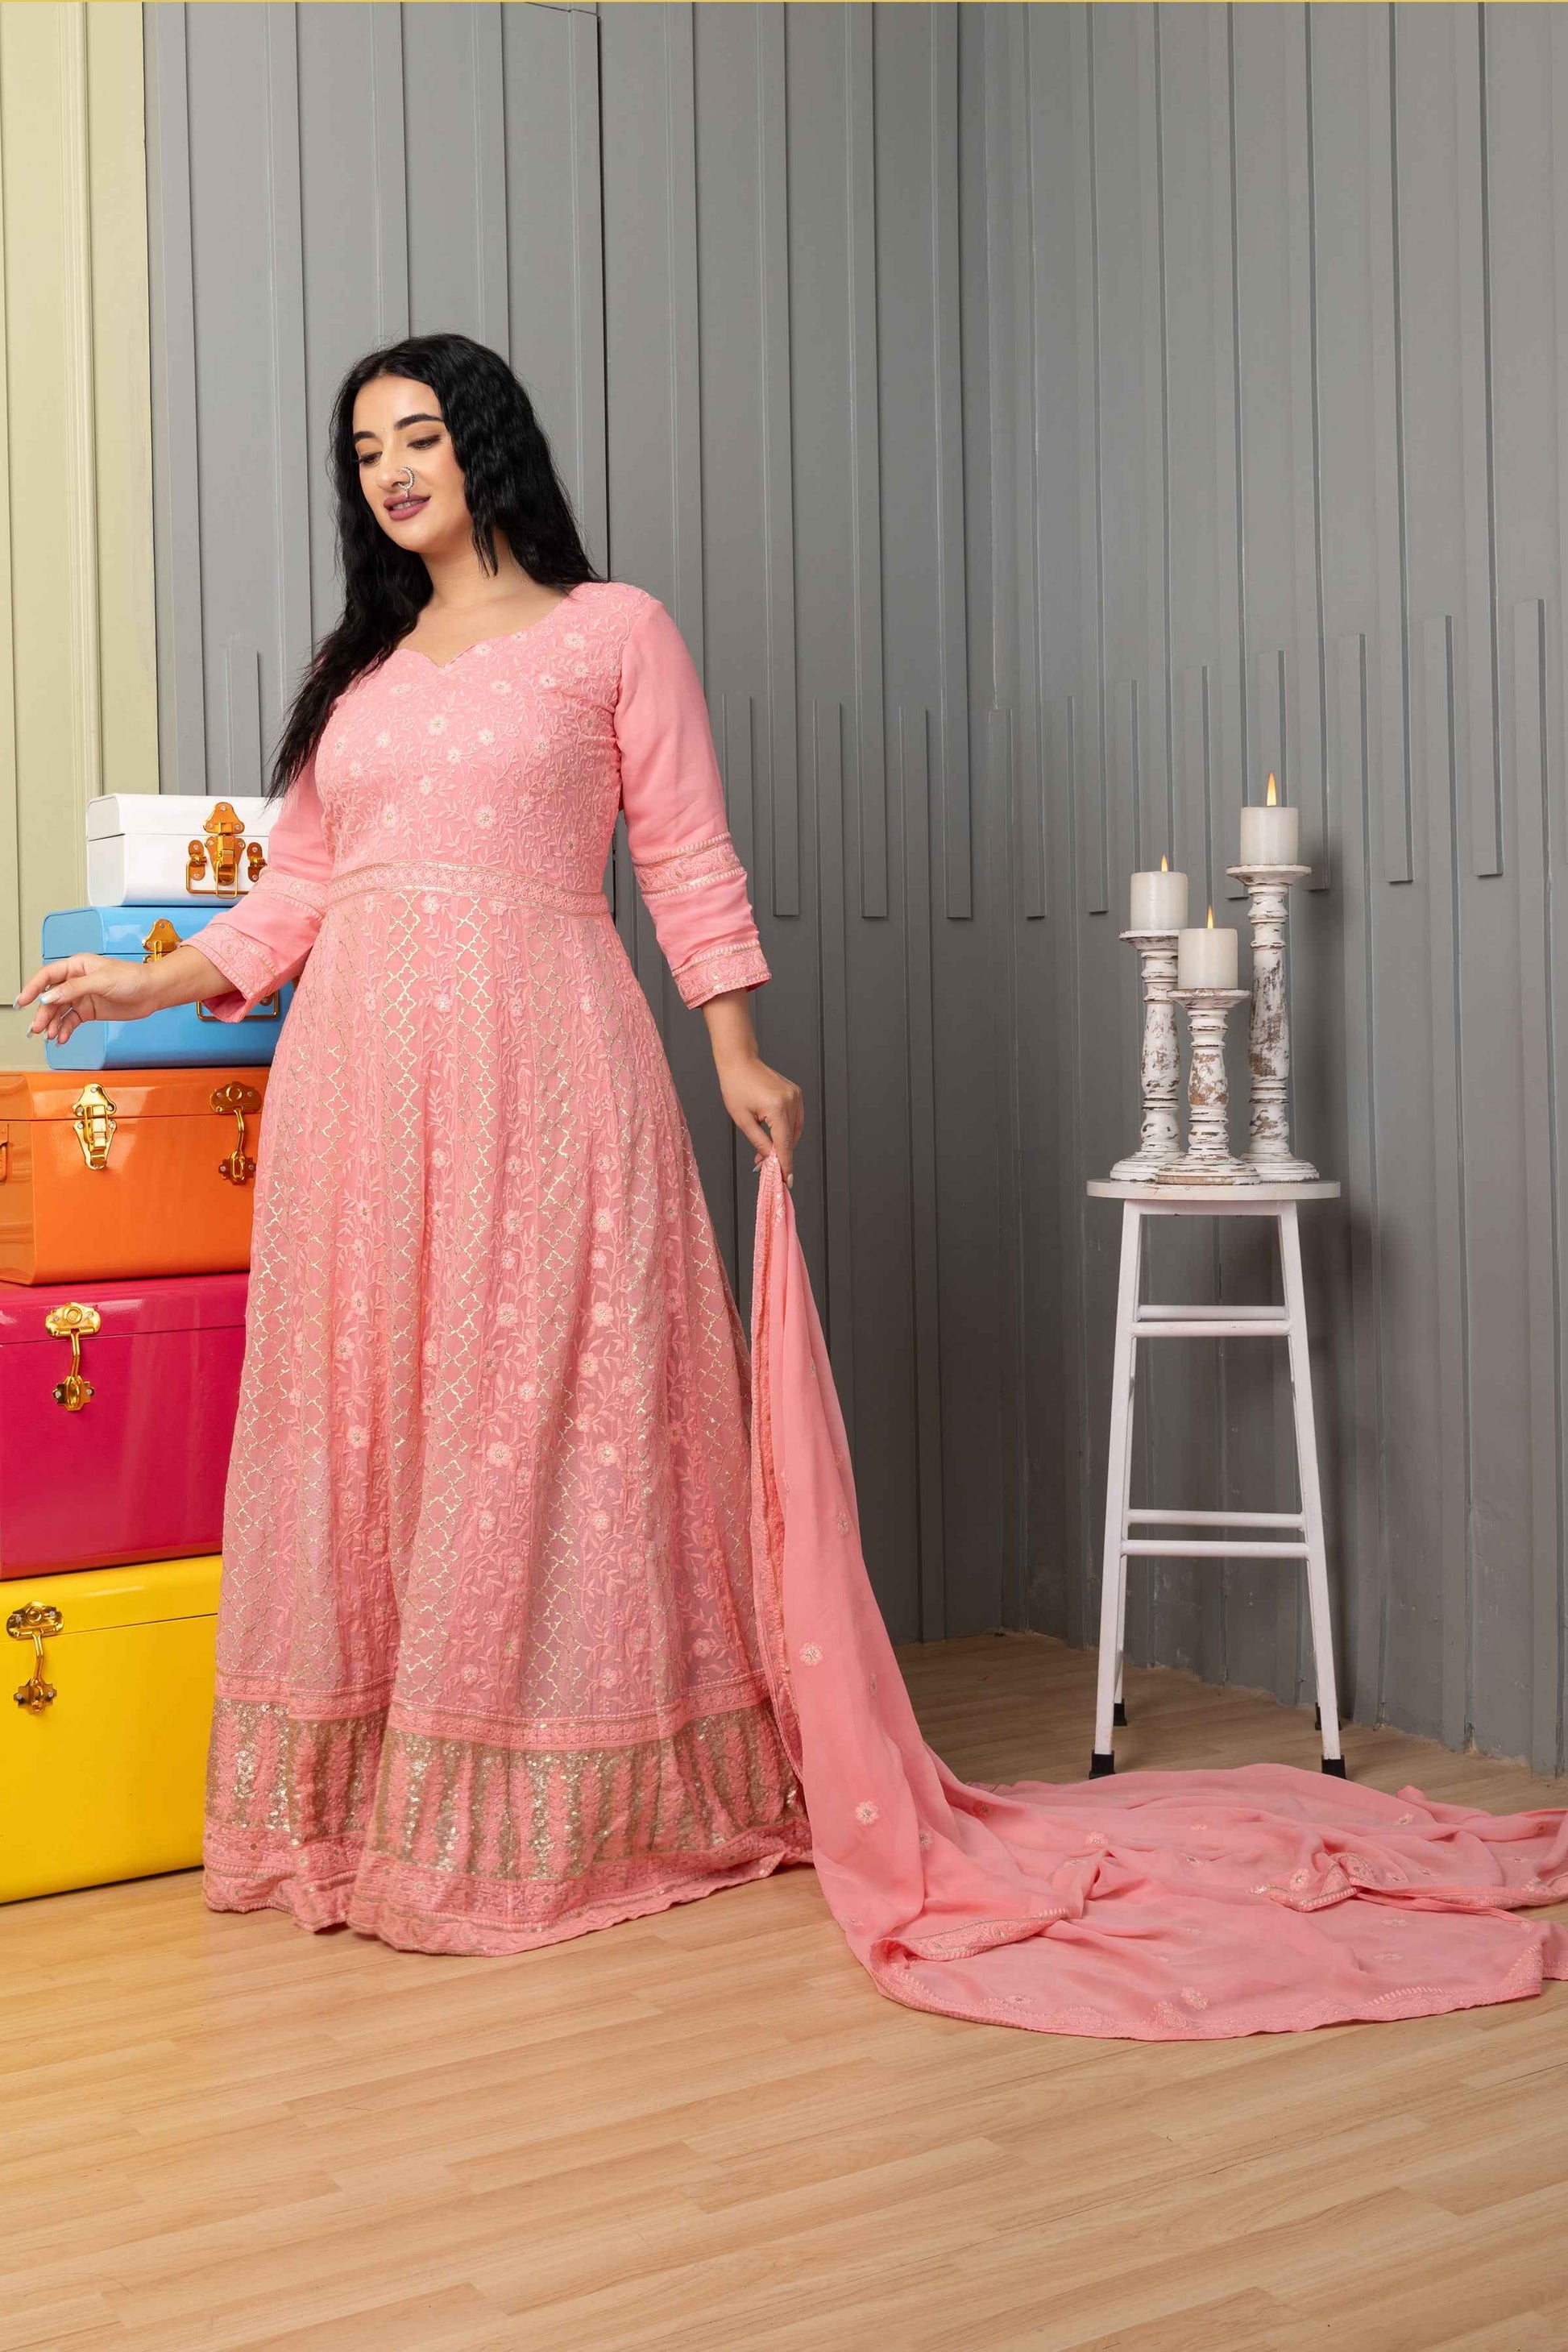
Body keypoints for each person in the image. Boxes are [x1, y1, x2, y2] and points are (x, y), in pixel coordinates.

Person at [18, 331, 813, 1956]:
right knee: (368, 1401)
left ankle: (559, 1797)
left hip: (547, 1063)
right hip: (358, 1088)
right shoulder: (361, 673)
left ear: (486, 446)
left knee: (539, 1401)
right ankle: (365, 1800)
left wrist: (733, 1046)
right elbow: (298, 890)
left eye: (421, 436)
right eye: (366, 449)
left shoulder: (612, 632)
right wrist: (141, 981)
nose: (391, 470)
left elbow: (683, 849)